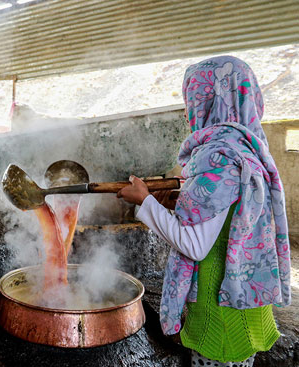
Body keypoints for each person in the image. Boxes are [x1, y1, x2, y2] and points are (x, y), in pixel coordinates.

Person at [117, 56, 291, 367]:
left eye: (192, 99)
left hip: (219, 311)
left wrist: (145, 202)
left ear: (207, 101)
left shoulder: (218, 156)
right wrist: (176, 201)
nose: (188, 110)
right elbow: (227, 213)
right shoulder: (249, 147)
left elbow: (194, 245)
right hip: (246, 301)